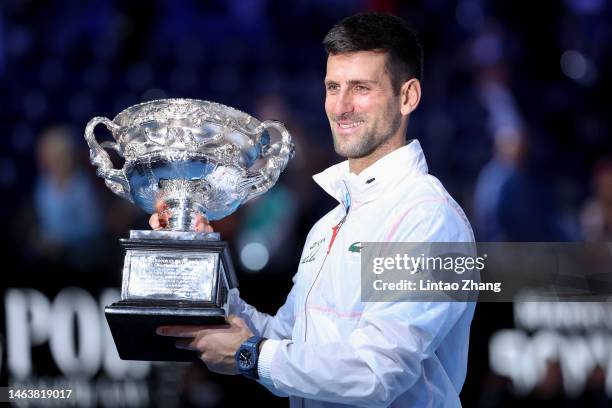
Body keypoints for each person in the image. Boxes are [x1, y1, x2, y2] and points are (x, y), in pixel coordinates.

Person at [154, 13, 475, 407]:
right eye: (333, 87)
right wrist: (204, 269)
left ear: (407, 96)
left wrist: (250, 355)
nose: (341, 106)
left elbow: (378, 373)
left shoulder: (426, 217)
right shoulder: (331, 223)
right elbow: (288, 344)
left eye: (361, 88)